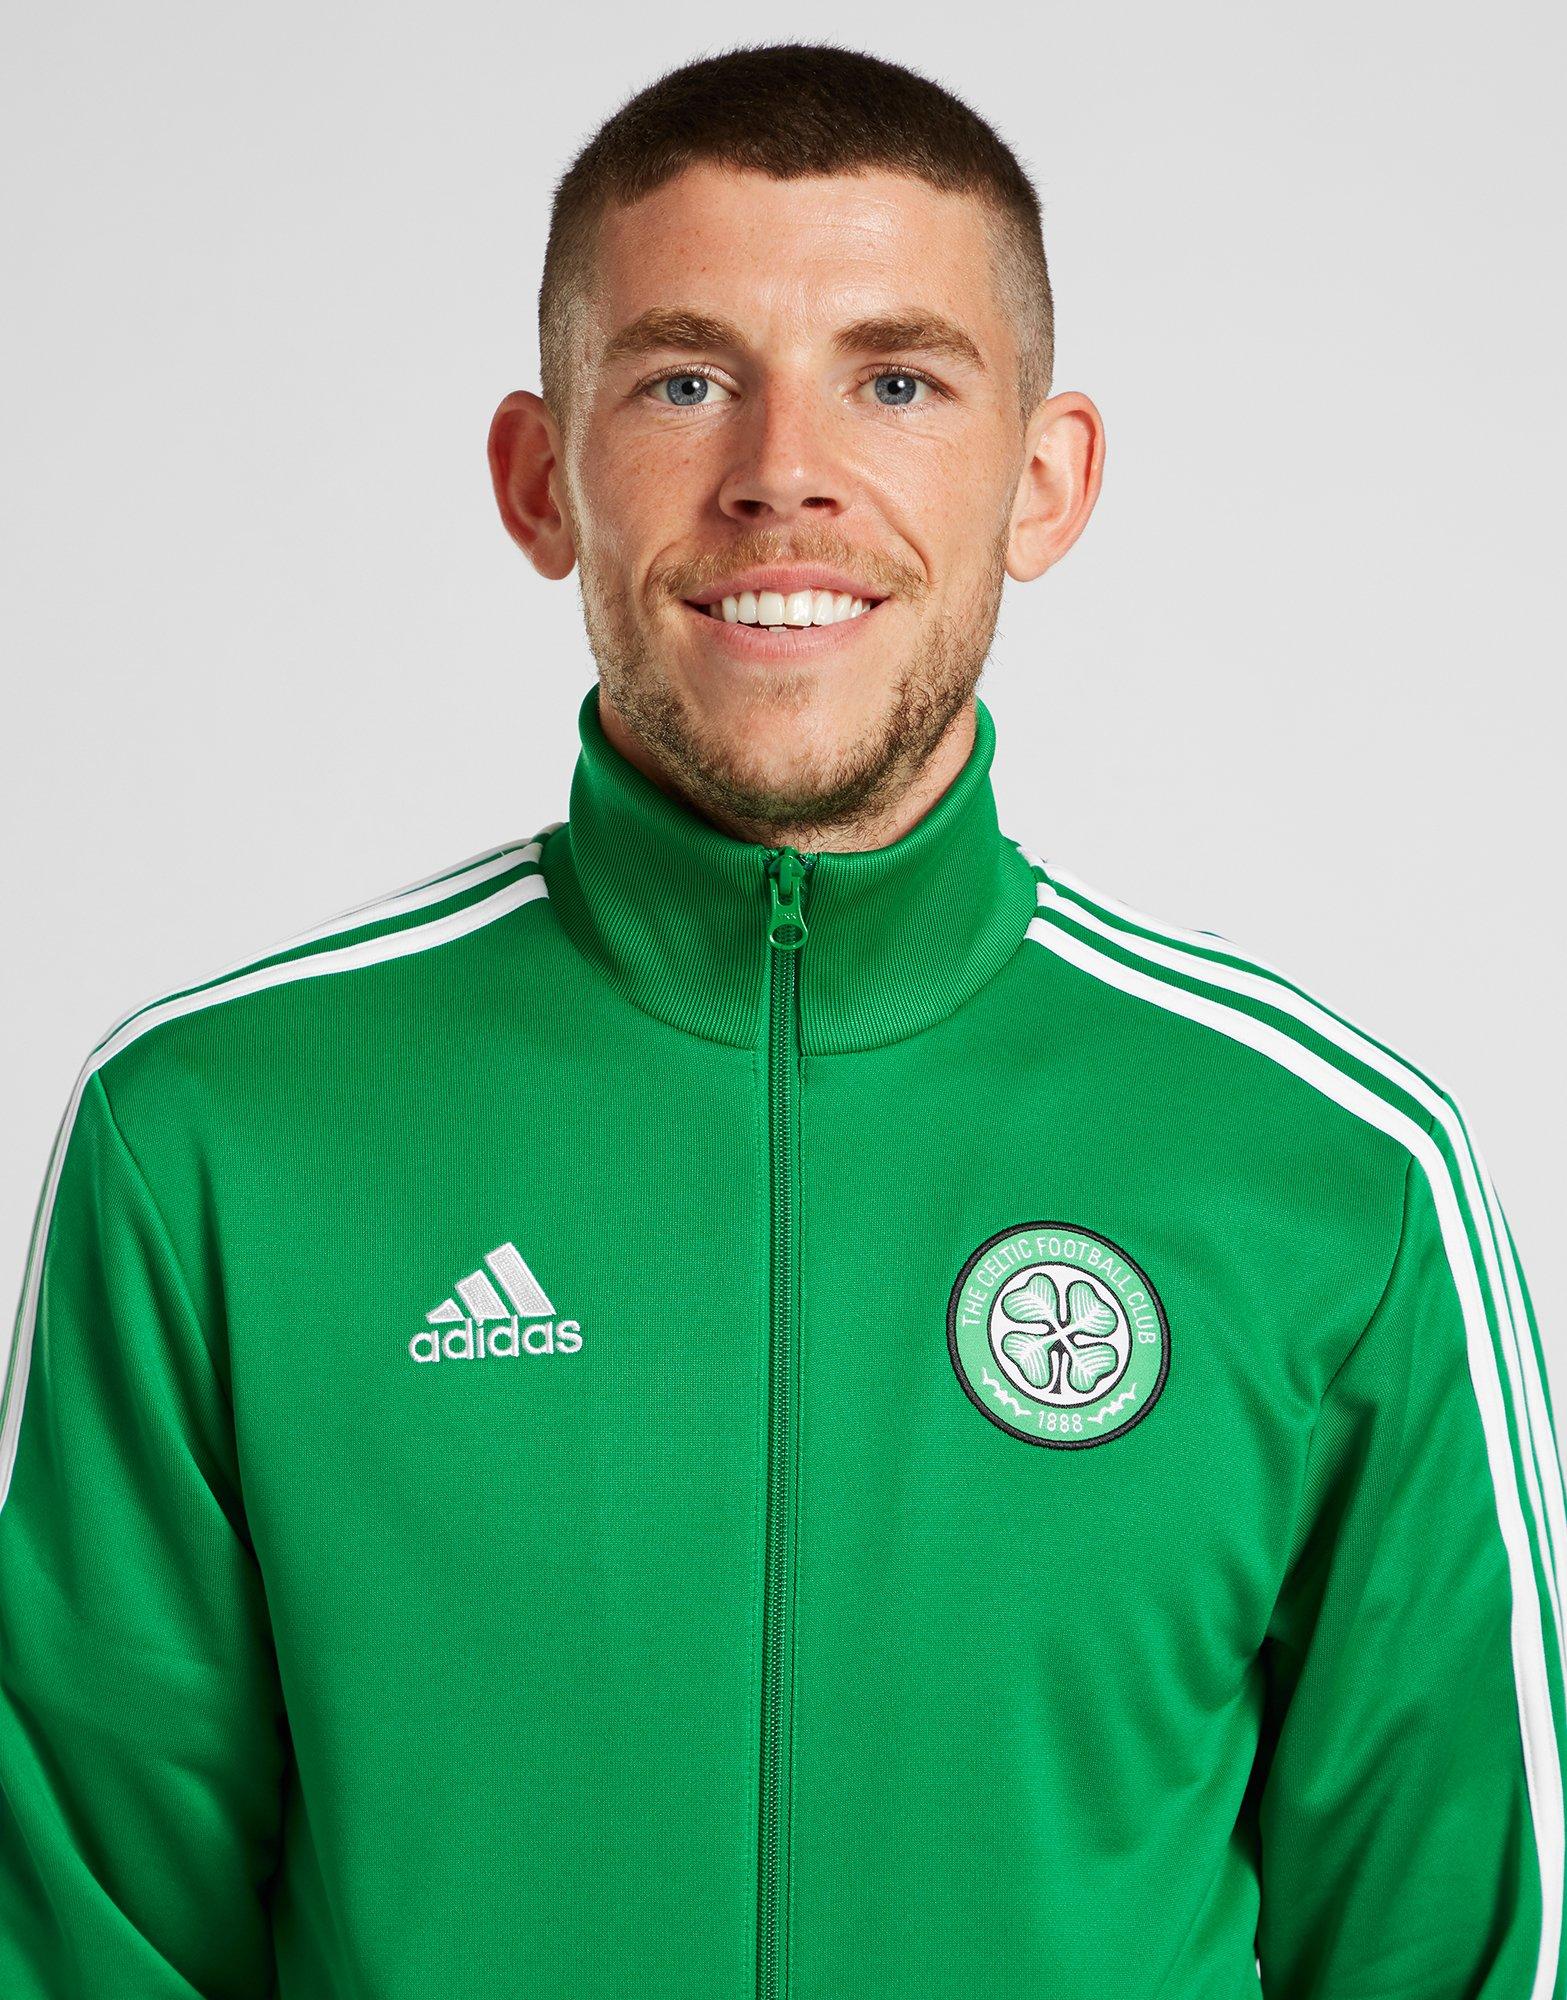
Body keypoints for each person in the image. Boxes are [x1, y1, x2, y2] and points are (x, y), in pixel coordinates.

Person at [1, 41, 1560, 1999]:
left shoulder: (1333, 1173)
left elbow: (1462, 1951)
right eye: (682, 380)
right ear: (539, 478)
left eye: (896, 382)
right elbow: (75, 1942)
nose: (781, 474)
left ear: (1045, 480)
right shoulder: (219, 1138)